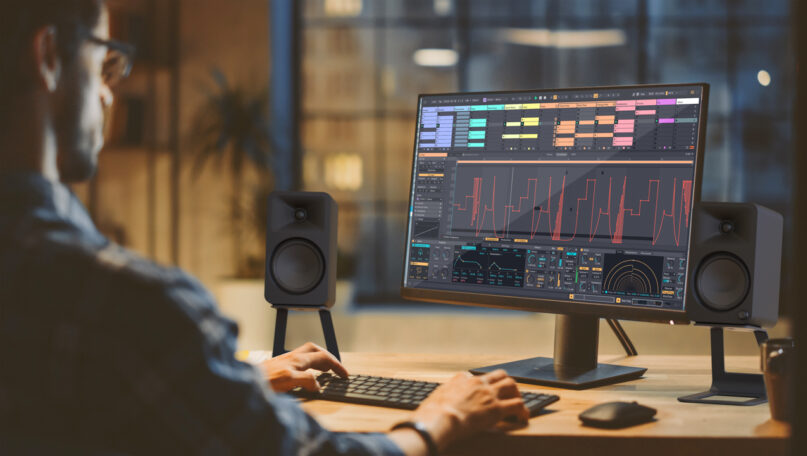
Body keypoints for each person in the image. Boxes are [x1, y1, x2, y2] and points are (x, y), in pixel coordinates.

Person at [0, 1, 529, 454]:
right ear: (48, 56)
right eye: (104, 64)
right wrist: (441, 419)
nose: (108, 94)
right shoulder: (128, 306)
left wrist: (231, 382)